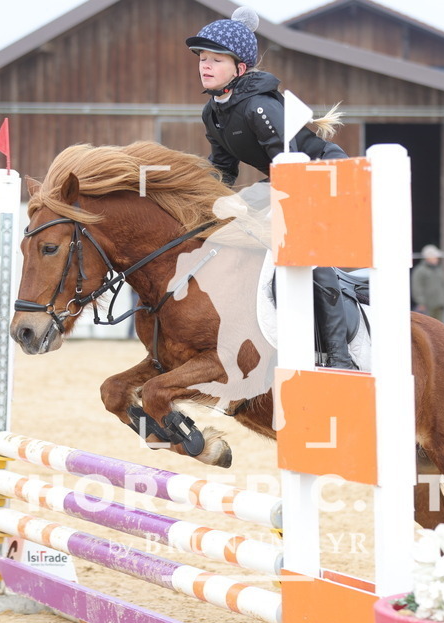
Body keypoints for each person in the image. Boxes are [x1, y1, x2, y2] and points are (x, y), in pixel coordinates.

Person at [186, 7, 355, 369]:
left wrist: (246, 201)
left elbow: (291, 168)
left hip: (323, 174)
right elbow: (222, 169)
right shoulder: (212, 112)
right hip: (287, 177)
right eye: (202, 58)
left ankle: (340, 355)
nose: (206, 65)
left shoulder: (259, 107)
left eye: (217, 59)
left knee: (311, 257)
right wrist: (201, 202)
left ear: (240, 69)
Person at [411, 244, 444, 322]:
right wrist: (421, 302)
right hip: (427, 306)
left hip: (439, 305)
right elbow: (417, 288)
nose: (436, 259)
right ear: (428, 257)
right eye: (434, 256)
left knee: (439, 327)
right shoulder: (420, 271)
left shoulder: (438, 270)